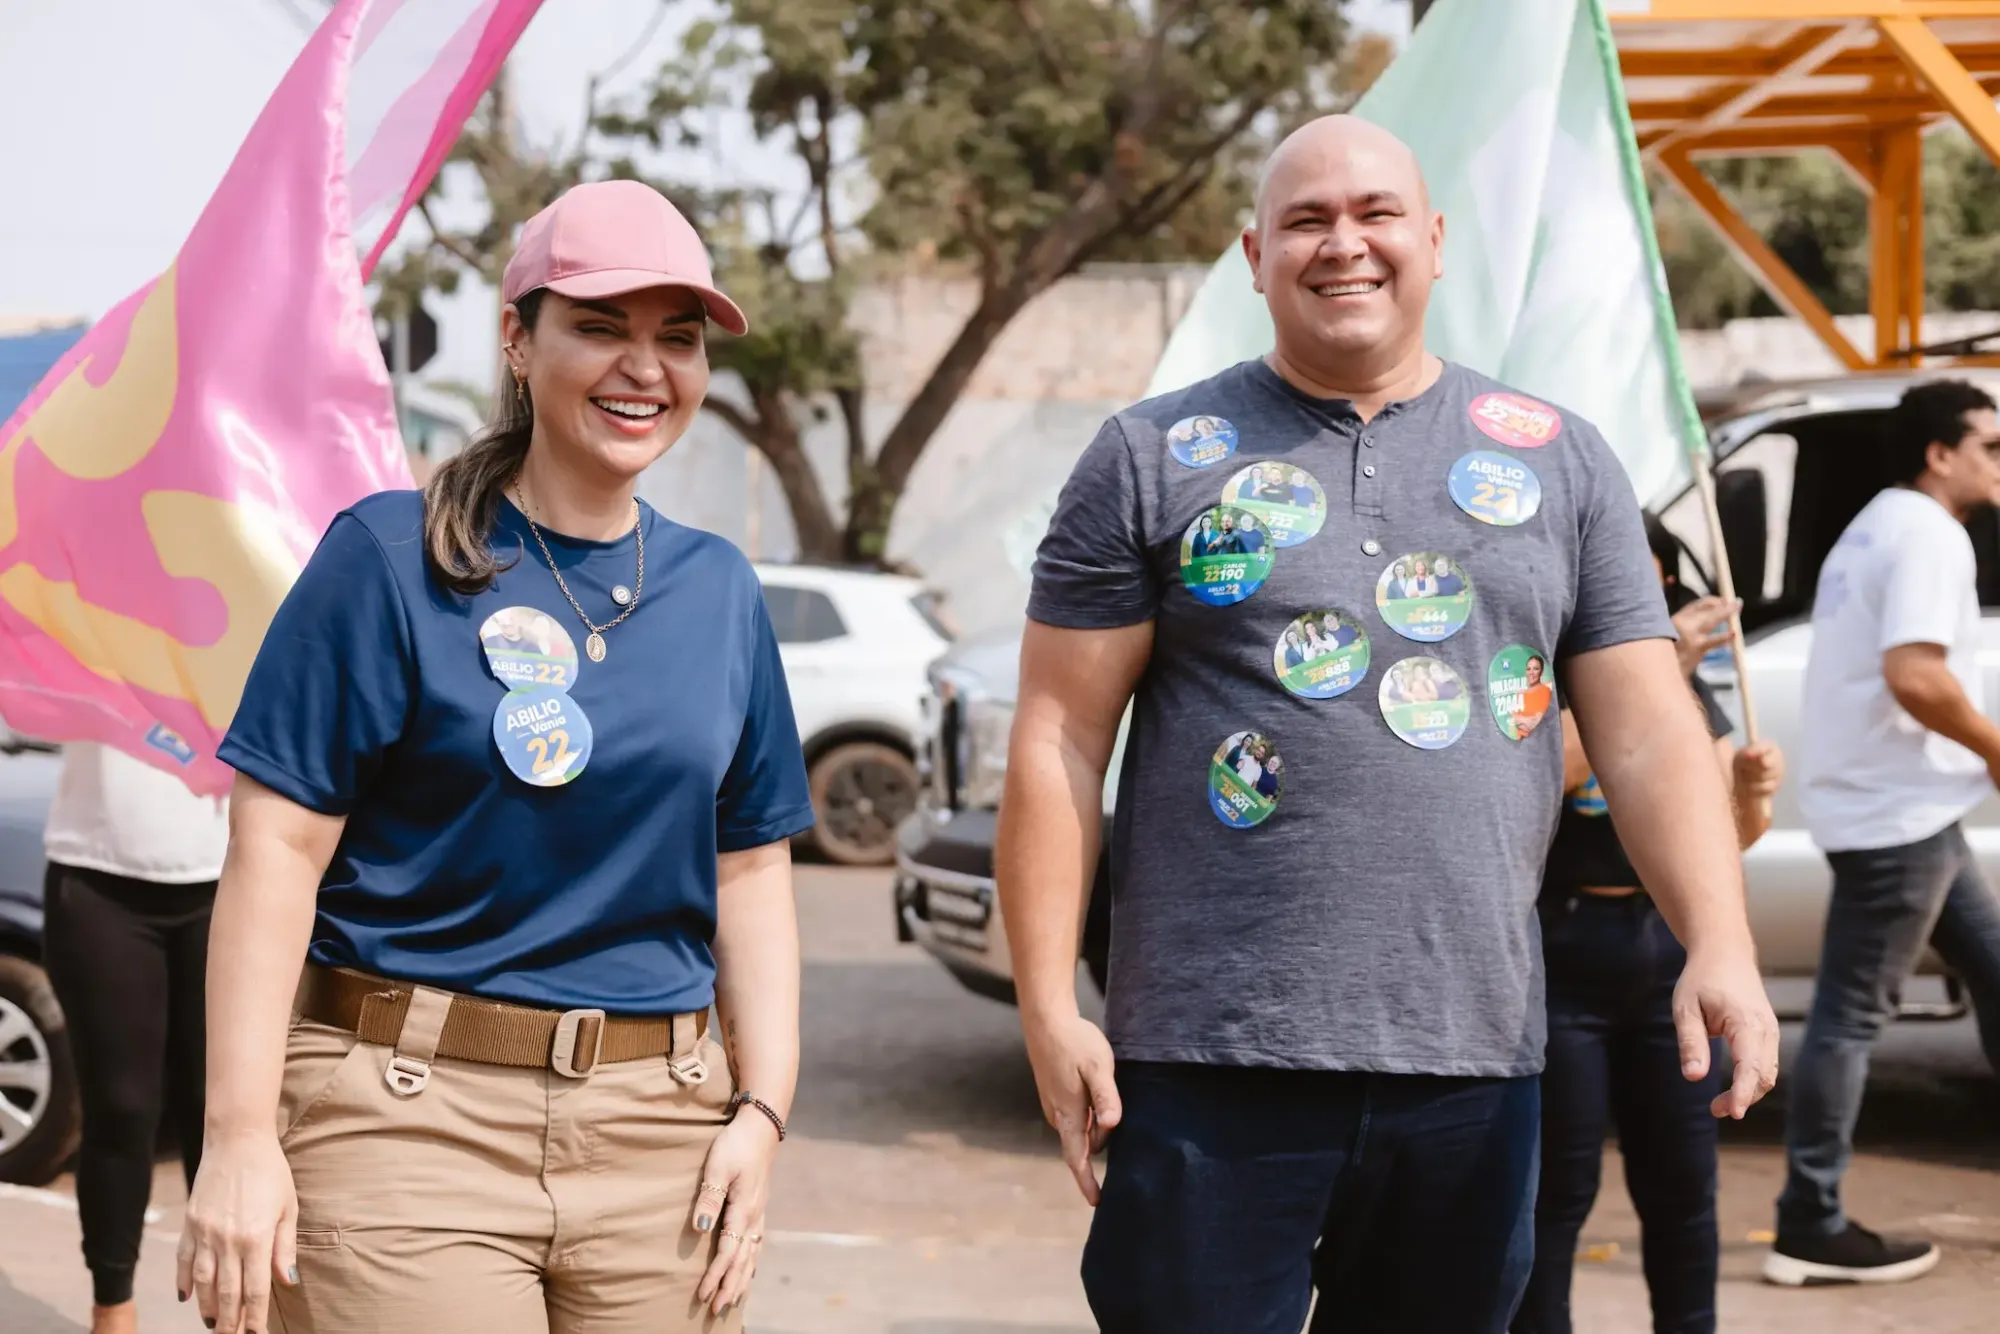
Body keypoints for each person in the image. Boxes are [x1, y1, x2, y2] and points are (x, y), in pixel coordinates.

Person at [996, 113, 1778, 1334]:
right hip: (1209, 1063)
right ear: (1252, 255)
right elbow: (1056, 738)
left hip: (1469, 1062)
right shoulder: (1148, 456)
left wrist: (1717, 941)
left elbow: (1644, 732)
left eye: (1373, 214)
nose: (1341, 244)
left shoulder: (1562, 462)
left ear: (1433, 240)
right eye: (1305, 220)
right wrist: (1048, 1003)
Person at [176, 179, 816, 1334]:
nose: (643, 367)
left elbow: (751, 871)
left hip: (659, 1135)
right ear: (517, 339)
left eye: (676, 338)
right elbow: (273, 848)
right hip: (400, 1120)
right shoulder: (386, 556)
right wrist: (238, 1137)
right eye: (600, 325)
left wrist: (760, 1111)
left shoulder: (719, 588)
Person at [1514, 513, 1784, 1334]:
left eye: (1656, 575)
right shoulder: (1533, 678)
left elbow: (1724, 843)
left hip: (1665, 956)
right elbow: (1540, 785)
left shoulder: (1686, 682)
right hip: (1560, 955)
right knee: (1555, 1193)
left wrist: (1755, 795)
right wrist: (1644, 683)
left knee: (1681, 1189)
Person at [1770, 379, 2000, 1286]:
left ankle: (1808, 1213)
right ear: (1940, 453)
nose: (1999, 460)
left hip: (1910, 811)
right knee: (1850, 1018)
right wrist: (1995, 746)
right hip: (1896, 818)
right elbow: (1915, 674)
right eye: (1990, 444)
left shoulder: (1880, 521)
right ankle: (1808, 1221)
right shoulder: (1926, 534)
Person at [40, 741, 230, 1334]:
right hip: (99, 876)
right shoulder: (93, 640)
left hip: (229, 875)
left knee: (220, 1110)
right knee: (122, 1108)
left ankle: (229, 1309)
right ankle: (112, 1307)